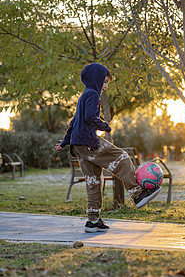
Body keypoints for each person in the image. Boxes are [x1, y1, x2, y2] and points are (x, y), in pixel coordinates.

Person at [55, 63, 161, 233]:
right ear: (97, 79)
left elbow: (74, 121)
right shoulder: (92, 95)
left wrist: (66, 142)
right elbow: (90, 117)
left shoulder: (84, 95)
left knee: (94, 180)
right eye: (104, 82)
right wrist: (105, 126)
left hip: (78, 144)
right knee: (122, 157)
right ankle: (137, 194)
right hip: (87, 141)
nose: (106, 86)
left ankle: (93, 221)